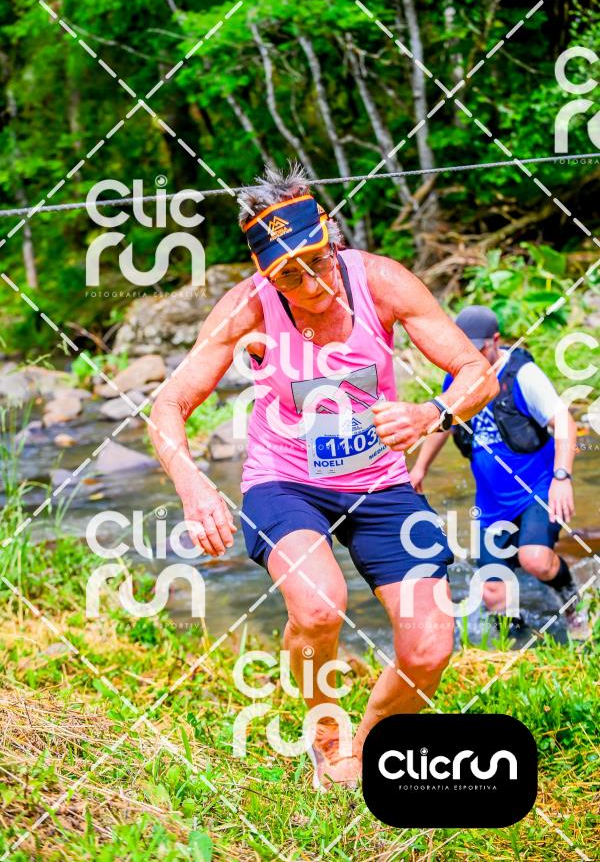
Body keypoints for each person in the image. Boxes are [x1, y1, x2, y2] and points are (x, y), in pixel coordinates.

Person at [148, 163, 499, 789]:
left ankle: (367, 749)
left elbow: (477, 372)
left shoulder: (381, 281)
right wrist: (193, 485)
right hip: (284, 479)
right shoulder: (248, 306)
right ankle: (327, 737)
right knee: (318, 606)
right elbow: (168, 404)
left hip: (380, 481)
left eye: (315, 261)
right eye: (288, 273)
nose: (309, 285)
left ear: (330, 233)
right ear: (262, 270)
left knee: (429, 648)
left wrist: (431, 413)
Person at [410, 305, 589, 639]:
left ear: (495, 340)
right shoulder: (458, 377)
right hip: (492, 503)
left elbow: (564, 421)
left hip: (537, 489)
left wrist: (562, 477)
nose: (472, 358)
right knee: (493, 593)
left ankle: (574, 609)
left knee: (536, 560)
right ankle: (522, 651)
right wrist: (419, 469)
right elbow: (442, 424)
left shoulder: (523, 375)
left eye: (479, 350)